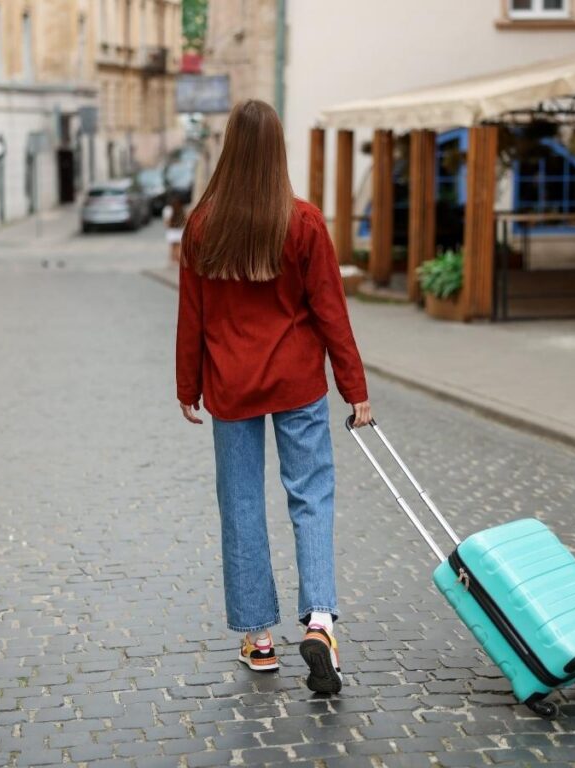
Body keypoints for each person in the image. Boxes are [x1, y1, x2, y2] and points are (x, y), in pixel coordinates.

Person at [175, 99, 372, 695]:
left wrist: (188, 386)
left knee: (240, 505)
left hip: (231, 385)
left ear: (230, 151)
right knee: (311, 497)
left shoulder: (203, 226)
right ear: (277, 152)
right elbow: (331, 312)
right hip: (297, 382)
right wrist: (355, 389)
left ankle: (260, 640)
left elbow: (193, 315)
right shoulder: (304, 222)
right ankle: (318, 620)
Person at [163, 192, 188, 264]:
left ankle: (173, 261)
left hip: (172, 230)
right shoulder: (182, 208)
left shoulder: (168, 209)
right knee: (178, 247)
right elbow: (185, 219)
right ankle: (177, 261)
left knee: (172, 247)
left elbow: (166, 222)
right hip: (180, 230)